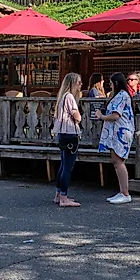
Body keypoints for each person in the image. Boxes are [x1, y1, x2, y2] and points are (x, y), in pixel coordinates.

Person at [96, 73, 135, 204]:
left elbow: (115, 115)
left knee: (118, 162)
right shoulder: (120, 95)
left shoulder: (122, 95)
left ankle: (125, 193)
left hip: (121, 132)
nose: (110, 85)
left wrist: (101, 116)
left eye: (111, 83)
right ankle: (122, 191)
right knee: (116, 161)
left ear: (116, 83)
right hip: (118, 131)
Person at [53, 73, 83, 207]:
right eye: (79, 82)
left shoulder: (62, 97)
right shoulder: (70, 97)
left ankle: (58, 194)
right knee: (67, 167)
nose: (80, 85)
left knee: (63, 165)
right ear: (72, 84)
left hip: (61, 132)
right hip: (70, 132)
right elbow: (77, 116)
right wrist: (78, 116)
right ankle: (64, 197)